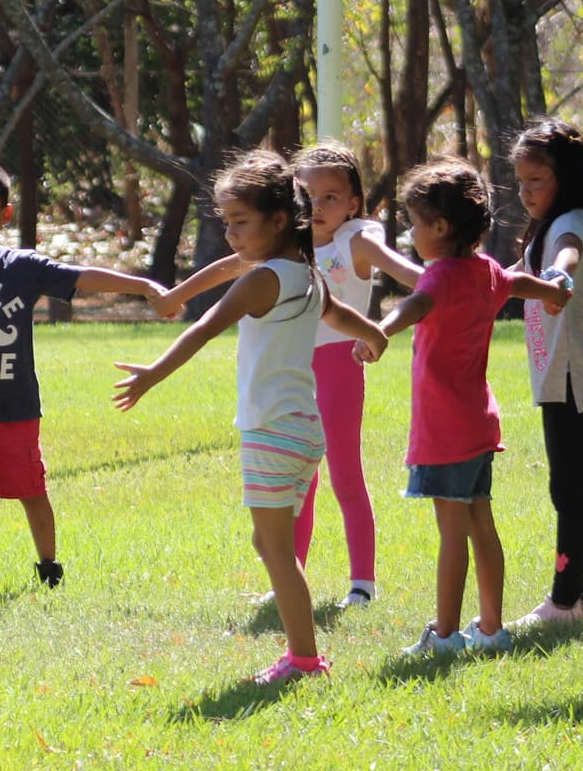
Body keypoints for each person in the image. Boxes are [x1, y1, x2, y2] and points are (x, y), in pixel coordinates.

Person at [113, 151, 387, 686]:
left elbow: (202, 329)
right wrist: (373, 336)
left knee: (277, 551)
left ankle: (304, 660)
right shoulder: (305, 272)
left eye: (241, 222)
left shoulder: (263, 279)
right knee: (270, 545)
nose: (232, 235)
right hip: (305, 428)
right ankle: (304, 653)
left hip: (272, 430)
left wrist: (151, 375)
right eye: (227, 223)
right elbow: (339, 314)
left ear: (279, 219)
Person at [156, 143, 425, 608]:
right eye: (310, 195)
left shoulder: (356, 240)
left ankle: (362, 582)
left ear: (354, 203)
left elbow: (404, 271)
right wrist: (177, 292)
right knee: (297, 482)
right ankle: (288, 573)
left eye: (332, 197)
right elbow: (231, 266)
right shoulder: (284, 252)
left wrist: (439, 283)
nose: (319, 207)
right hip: (294, 371)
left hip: (340, 367)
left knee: (344, 474)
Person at [0, 159, 166, 593]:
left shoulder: (21, 267)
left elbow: (80, 277)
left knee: (31, 489)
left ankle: (49, 564)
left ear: (4, 214)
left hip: (16, 411)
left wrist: (141, 285)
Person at [352, 159, 572, 657]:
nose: (409, 233)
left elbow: (411, 308)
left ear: (441, 227)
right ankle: (491, 629)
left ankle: (446, 636)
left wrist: (377, 333)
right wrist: (555, 292)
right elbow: (520, 285)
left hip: (445, 429)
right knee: (480, 524)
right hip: (478, 423)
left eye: (414, 222)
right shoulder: (486, 272)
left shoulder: (439, 279)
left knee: (452, 533)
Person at [505, 119, 583, 629]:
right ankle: (572, 596)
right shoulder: (552, 222)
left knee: (569, 493)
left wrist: (558, 274)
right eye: (522, 181)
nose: (527, 192)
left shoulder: (570, 221)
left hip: (579, 380)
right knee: (565, 490)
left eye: (538, 180)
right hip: (561, 380)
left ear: (567, 176)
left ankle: (566, 602)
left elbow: (568, 254)